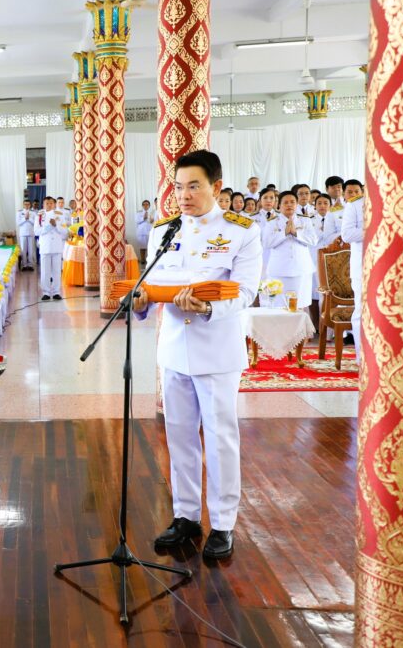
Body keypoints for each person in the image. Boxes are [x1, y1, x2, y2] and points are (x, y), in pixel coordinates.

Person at [134, 150, 261, 560]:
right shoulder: (164, 231)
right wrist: (139, 301)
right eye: (178, 187)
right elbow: (151, 284)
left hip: (217, 351)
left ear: (216, 187)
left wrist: (207, 307)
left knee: (220, 438)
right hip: (174, 350)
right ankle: (186, 516)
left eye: (194, 186)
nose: (184, 195)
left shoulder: (241, 231)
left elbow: (246, 291)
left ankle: (222, 523)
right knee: (180, 435)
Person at [262, 190, 318, 310]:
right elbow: (266, 243)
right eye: (285, 202)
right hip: (279, 270)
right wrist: (284, 233)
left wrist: (296, 233)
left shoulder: (305, 220)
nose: (289, 205)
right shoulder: (272, 222)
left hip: (301, 269)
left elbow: (314, 240)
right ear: (279, 205)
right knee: (279, 306)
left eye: (292, 202)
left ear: (297, 204)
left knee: (300, 306)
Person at [339, 179, 365, 362]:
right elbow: (347, 234)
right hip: (363, 267)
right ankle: (362, 358)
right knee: (361, 311)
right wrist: (374, 229)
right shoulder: (355, 205)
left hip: (392, 267)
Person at [311, 193, 342, 325]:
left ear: (330, 205)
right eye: (319, 203)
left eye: (325, 203)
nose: (322, 206)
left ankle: (330, 327)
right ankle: (319, 325)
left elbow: (341, 234)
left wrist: (330, 234)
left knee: (332, 292)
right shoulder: (310, 220)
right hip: (315, 259)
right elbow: (313, 238)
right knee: (317, 292)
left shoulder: (337, 218)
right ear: (315, 206)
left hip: (334, 258)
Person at [35, 196, 65, 301]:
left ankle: (56, 292)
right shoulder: (39, 215)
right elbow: (36, 231)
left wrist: (56, 225)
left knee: (56, 271)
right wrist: (48, 227)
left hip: (56, 246)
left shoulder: (60, 215)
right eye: (47, 203)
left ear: (54, 204)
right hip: (45, 246)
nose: (49, 205)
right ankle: (46, 292)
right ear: (43, 205)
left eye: (51, 203)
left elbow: (65, 231)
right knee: (45, 271)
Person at [16, 199, 36, 271]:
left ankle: (30, 265)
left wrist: (29, 218)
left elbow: (35, 223)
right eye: (25, 204)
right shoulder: (19, 212)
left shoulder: (33, 213)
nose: (27, 206)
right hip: (23, 233)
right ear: (23, 205)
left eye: (28, 204)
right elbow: (18, 223)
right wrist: (25, 218)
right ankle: (24, 265)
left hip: (31, 233)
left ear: (30, 205)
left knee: (31, 250)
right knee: (23, 250)